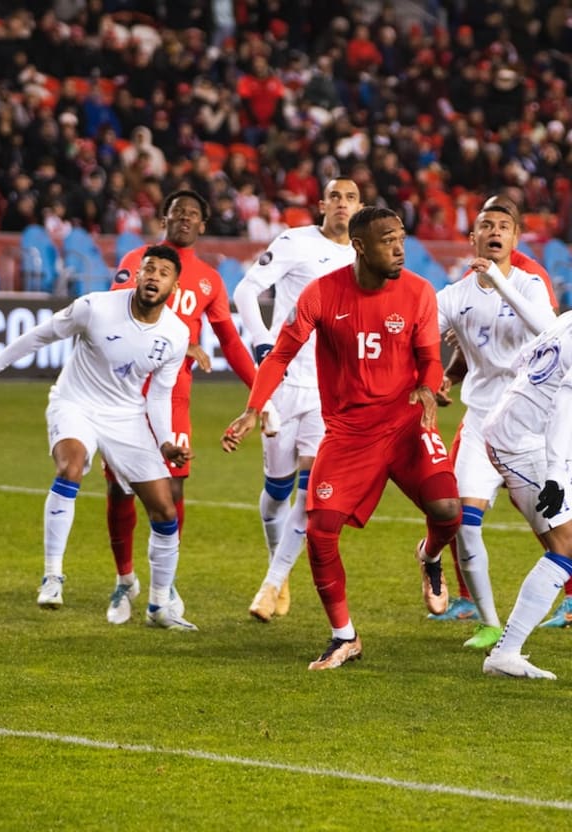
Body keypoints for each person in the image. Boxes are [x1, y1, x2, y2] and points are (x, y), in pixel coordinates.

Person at [222, 206, 462, 670]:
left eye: (401, 237)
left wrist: (428, 388)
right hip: (349, 434)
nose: (399, 248)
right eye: (387, 240)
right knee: (320, 529)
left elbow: (430, 358)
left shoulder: (418, 292)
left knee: (449, 511)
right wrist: (255, 408)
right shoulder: (321, 295)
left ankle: (428, 556)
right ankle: (343, 636)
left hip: (407, 424)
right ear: (359, 246)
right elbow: (279, 356)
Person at [0, 245, 199, 631]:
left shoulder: (176, 334)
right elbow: (40, 335)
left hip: (127, 416)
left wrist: (167, 440)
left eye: (163, 272)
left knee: (165, 511)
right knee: (70, 467)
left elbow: (157, 394)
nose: (154, 276)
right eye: (148, 269)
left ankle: (158, 605)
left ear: (174, 284)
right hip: (75, 403)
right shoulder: (95, 306)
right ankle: (53, 576)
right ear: (136, 275)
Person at [105, 189, 266, 625]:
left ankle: (165, 583)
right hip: (127, 391)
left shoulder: (210, 279)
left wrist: (259, 390)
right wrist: (180, 338)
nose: (184, 219)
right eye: (177, 212)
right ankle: (124, 579)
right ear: (164, 217)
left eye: (193, 215)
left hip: (173, 396)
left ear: (203, 225)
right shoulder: (138, 258)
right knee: (120, 489)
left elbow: (230, 341)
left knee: (173, 492)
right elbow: (118, 312)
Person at [430, 192, 566, 624]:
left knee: (556, 535)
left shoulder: (529, 283)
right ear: (472, 237)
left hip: (534, 425)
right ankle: (489, 625)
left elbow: (547, 329)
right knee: (464, 520)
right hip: (481, 424)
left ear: (516, 239)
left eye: (503, 227)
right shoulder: (453, 295)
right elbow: (418, 337)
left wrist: (499, 282)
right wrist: (431, 377)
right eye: (486, 226)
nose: (494, 233)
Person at [233, 176, 363, 622]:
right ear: (321, 203)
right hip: (285, 381)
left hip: (330, 391)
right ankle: (279, 568)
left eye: (350, 198)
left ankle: (271, 586)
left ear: (360, 206)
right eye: (335, 197)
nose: (342, 204)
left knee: (311, 493)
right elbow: (246, 291)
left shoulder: (362, 257)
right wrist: (263, 344)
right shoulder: (294, 242)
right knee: (276, 491)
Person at [481, 311, 572, 679]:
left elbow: (529, 353)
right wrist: (555, 473)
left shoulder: (567, 318)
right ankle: (505, 653)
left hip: (521, 428)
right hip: (521, 442)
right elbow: (565, 404)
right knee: (566, 545)